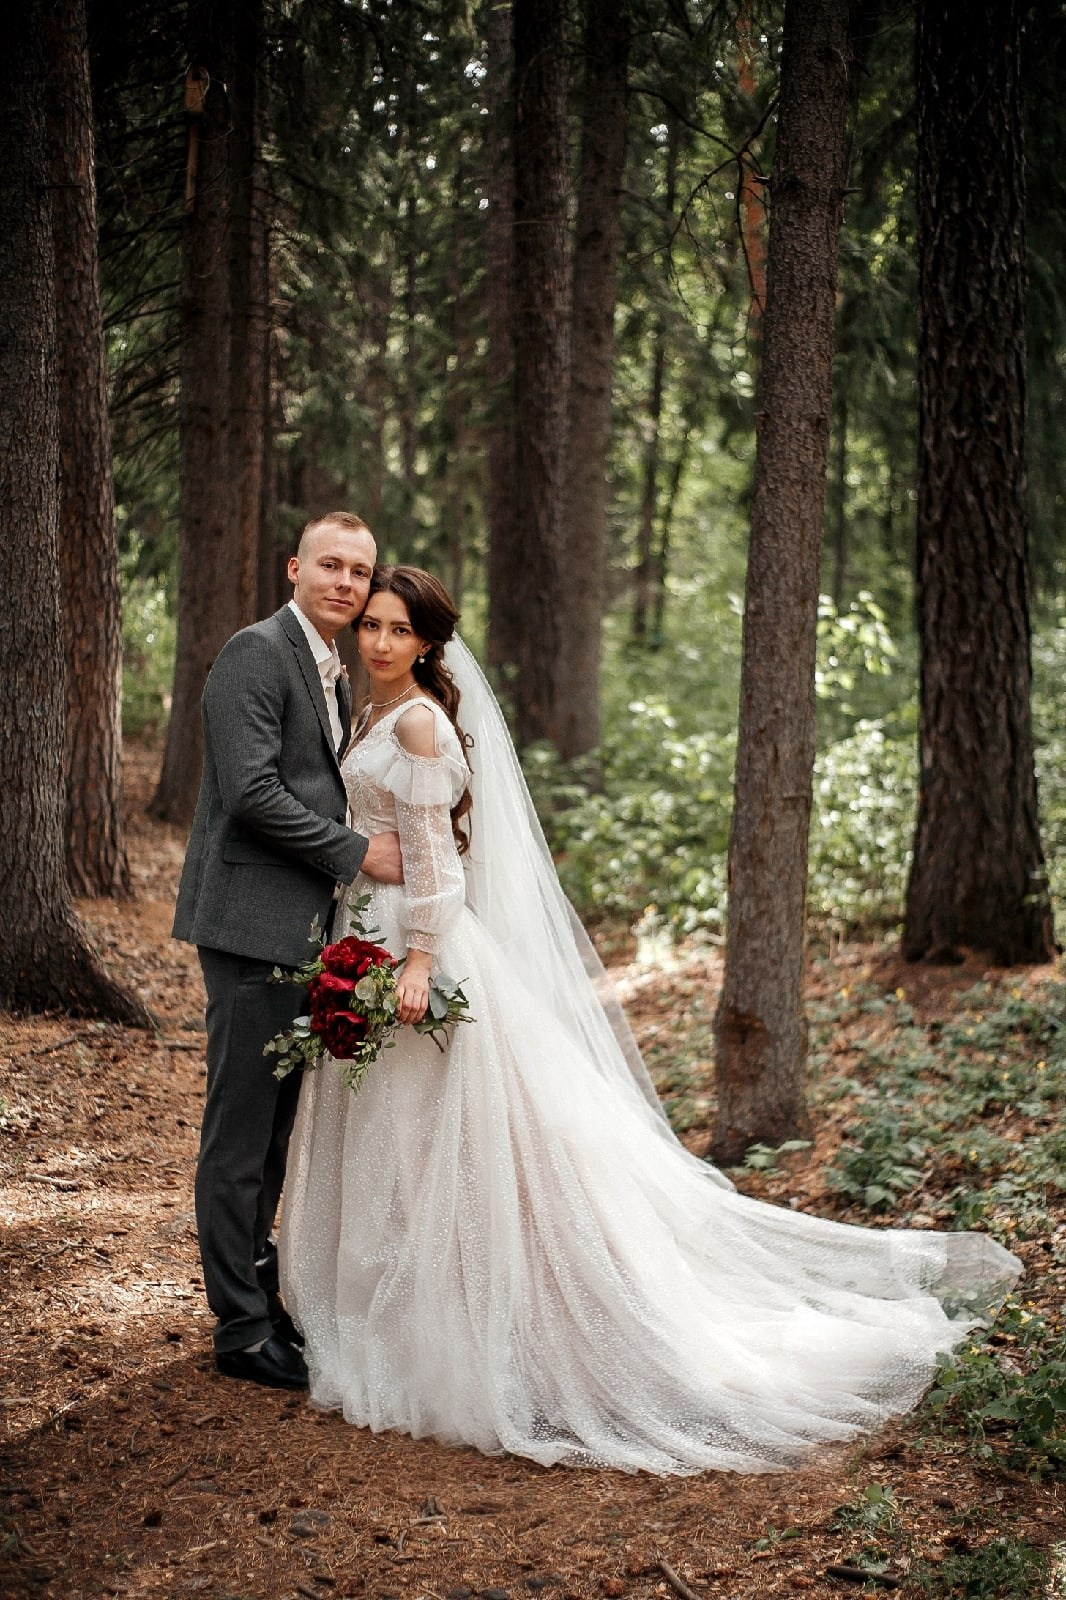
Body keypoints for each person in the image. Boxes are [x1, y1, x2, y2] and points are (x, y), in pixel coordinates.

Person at [279, 565, 1020, 1473]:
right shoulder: (373, 713)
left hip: (413, 947)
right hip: (367, 931)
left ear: (430, 642)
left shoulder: (421, 722)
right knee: (396, 1138)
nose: (382, 641)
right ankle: (395, 1320)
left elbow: (439, 863)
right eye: (374, 627)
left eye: (400, 629)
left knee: (438, 1140)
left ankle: (473, 1332)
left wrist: (422, 957)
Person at [173, 512, 403, 1391]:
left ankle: (259, 1295)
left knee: (274, 1131)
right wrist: (357, 853)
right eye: (331, 566)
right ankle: (237, 1330)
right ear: (294, 567)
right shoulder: (255, 653)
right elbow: (252, 791)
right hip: (249, 923)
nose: (347, 583)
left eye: (360, 570)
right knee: (238, 1132)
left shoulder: (334, 665)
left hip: (304, 927)